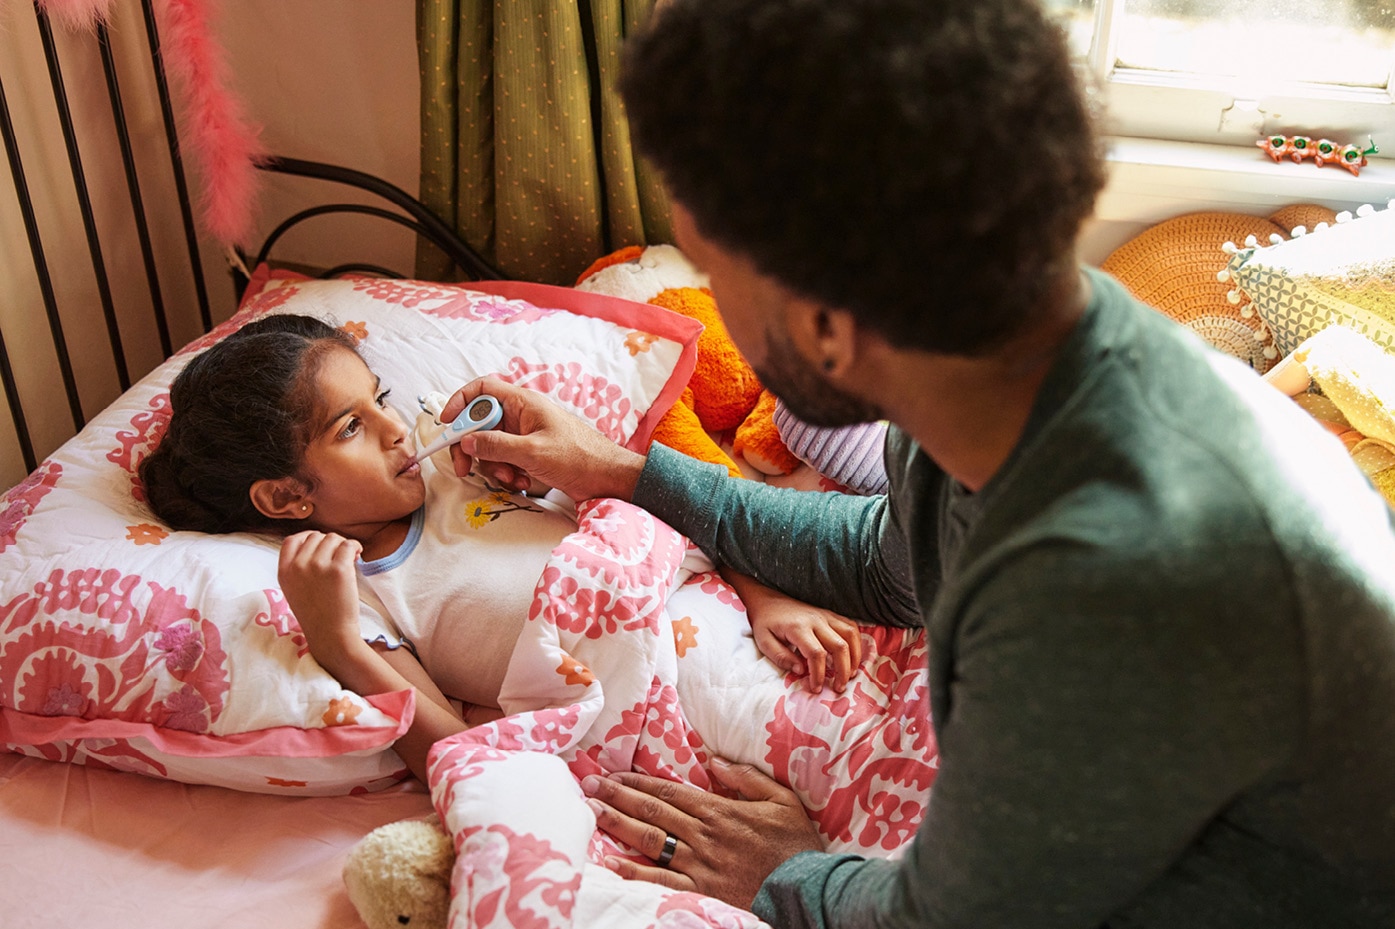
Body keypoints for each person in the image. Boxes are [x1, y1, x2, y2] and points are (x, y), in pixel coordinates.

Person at [433, 0, 1395, 925]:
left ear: (823, 325)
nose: (707, 298)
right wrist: (628, 471)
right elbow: (890, 558)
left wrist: (792, 876)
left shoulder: (1105, 582)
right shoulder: (997, 365)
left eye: (711, 271)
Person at [138, 313, 862, 785]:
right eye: (351, 427)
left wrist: (769, 597)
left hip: (728, 610)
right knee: (852, 764)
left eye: (381, 398)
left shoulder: (467, 466)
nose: (396, 428)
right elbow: (447, 752)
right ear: (287, 498)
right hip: (667, 698)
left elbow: (658, 507)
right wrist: (339, 645)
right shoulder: (351, 589)